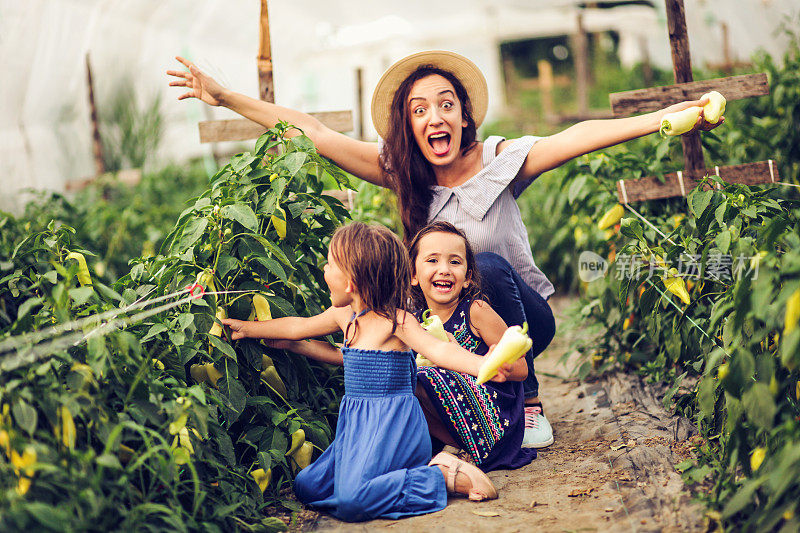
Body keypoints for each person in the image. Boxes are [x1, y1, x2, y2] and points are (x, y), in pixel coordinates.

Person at [168, 50, 722, 447]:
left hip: (522, 319)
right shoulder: (402, 175)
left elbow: (574, 137)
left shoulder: (502, 160)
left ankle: (527, 400)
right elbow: (311, 131)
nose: (435, 117)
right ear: (407, 126)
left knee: (486, 266)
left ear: (463, 114)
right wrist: (223, 97)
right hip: (450, 331)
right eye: (419, 109)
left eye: (446, 104)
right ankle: (451, 431)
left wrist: (665, 120)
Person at [222, 222, 507, 522]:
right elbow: (297, 326)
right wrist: (250, 329)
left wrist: (483, 365)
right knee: (307, 486)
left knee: (352, 502)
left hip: (393, 429)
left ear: (350, 282)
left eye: (330, 263)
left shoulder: (396, 322)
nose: (323, 269)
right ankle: (377, 483)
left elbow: (440, 351)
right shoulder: (344, 315)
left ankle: (440, 476)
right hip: (356, 427)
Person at [409, 221, 537, 468]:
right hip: (451, 415)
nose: (444, 269)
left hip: (491, 414)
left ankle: (472, 450)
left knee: (421, 378)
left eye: (454, 262)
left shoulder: (475, 311)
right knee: (406, 380)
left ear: (467, 277)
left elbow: (522, 369)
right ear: (414, 275)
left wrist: (502, 364)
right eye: (432, 260)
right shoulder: (413, 321)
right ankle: (452, 446)